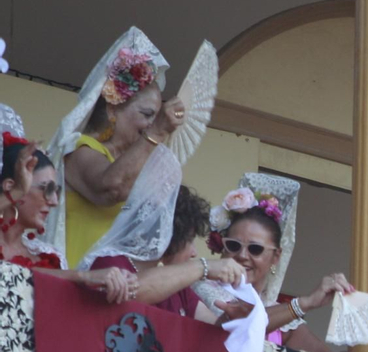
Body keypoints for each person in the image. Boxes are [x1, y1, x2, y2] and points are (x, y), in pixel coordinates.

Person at [45, 28, 186, 269]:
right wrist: (157, 133)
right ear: (112, 110)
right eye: (146, 114)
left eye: (156, 117)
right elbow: (111, 188)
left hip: (121, 287)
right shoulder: (79, 149)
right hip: (78, 281)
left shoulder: (139, 161)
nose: (151, 124)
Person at [79, 138, 245, 317]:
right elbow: (130, 293)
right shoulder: (110, 264)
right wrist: (203, 267)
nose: (194, 253)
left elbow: (209, 328)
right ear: (169, 234)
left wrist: (236, 315)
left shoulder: (176, 284)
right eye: (189, 240)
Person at [208, 174, 350, 352]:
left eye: (255, 249)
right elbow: (243, 323)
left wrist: (354, 310)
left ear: (276, 256)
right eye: (234, 245)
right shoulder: (202, 289)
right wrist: (305, 303)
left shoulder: (285, 322)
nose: (242, 256)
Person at [0, 106, 134, 300]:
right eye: (45, 189)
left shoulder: (48, 256)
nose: (54, 202)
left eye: (56, 191)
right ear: (10, 186)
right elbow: (11, 274)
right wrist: (81, 276)